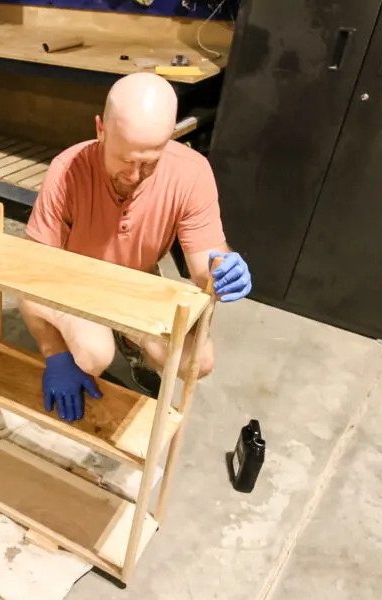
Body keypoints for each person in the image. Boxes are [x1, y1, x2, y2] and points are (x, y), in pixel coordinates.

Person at [20, 72, 251, 423]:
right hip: (76, 283)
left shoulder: (192, 172)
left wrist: (222, 269)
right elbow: (31, 275)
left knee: (196, 363)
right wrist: (55, 355)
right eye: (125, 159)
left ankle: (131, 338)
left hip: (138, 282)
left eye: (149, 163)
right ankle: (99, 340)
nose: (134, 175)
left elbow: (206, 259)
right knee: (92, 354)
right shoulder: (67, 171)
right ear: (101, 129)